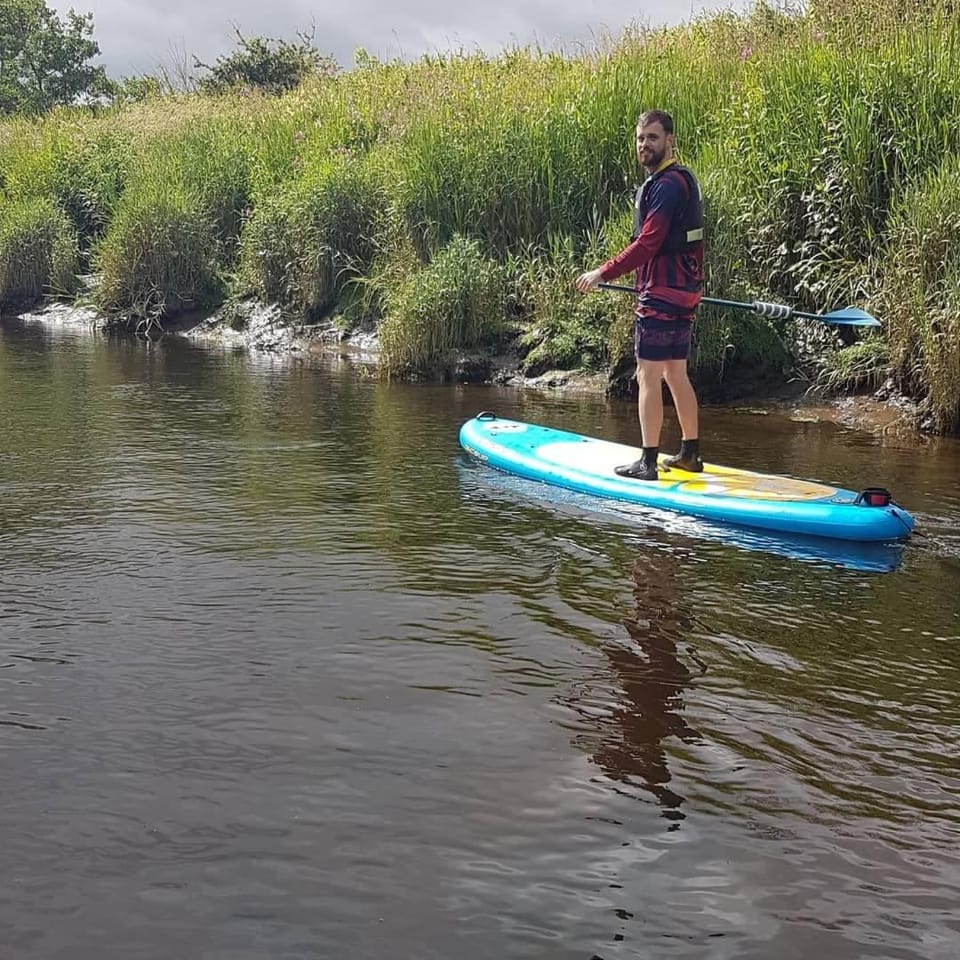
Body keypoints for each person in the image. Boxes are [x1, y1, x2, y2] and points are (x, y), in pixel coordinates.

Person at [575, 109, 705, 481]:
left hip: (662, 293)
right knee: (675, 373)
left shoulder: (666, 186)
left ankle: (648, 463)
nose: (644, 144)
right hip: (683, 292)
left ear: (670, 141)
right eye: (640, 138)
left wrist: (602, 272)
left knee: (647, 375)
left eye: (653, 137)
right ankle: (690, 454)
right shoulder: (679, 181)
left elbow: (648, 243)